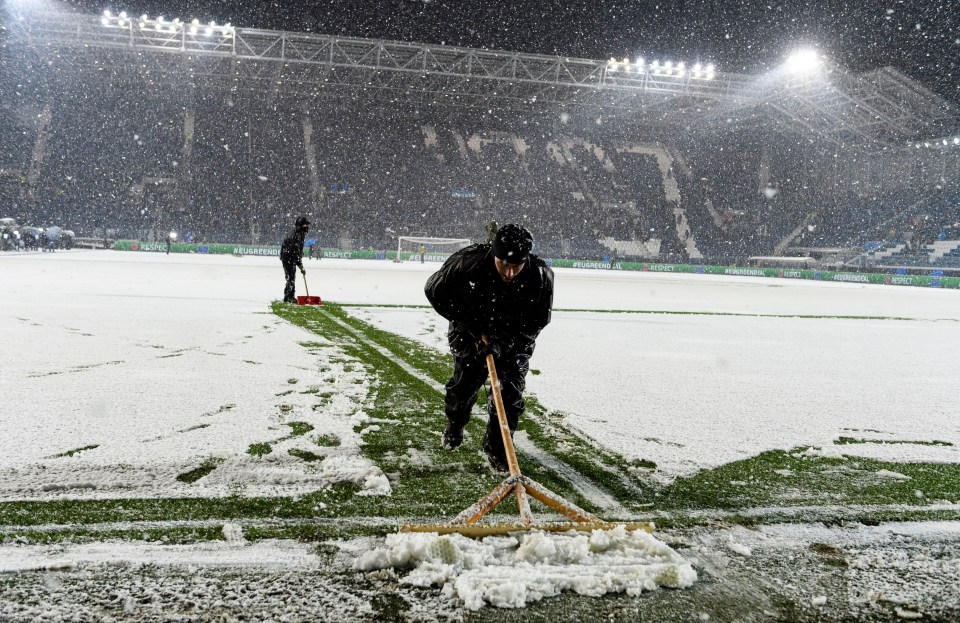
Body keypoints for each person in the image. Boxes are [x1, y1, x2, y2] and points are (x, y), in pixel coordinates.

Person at [424, 224, 554, 471]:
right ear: (494, 254)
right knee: (464, 387)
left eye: (516, 266)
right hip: (469, 332)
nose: (509, 273)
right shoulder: (467, 264)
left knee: (509, 394)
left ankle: (498, 448)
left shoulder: (539, 276)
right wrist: (470, 326)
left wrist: (503, 343)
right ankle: (456, 424)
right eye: (503, 264)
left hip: (514, 339)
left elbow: (537, 321)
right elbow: (434, 291)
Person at [280, 216, 310, 303]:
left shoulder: (300, 233)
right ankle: (290, 297)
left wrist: (299, 258)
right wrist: (300, 265)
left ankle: (287, 295)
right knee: (291, 276)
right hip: (287, 257)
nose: (307, 227)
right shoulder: (294, 235)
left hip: (290, 256)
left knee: (291, 276)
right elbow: (294, 252)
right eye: (305, 225)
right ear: (300, 225)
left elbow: (298, 251)